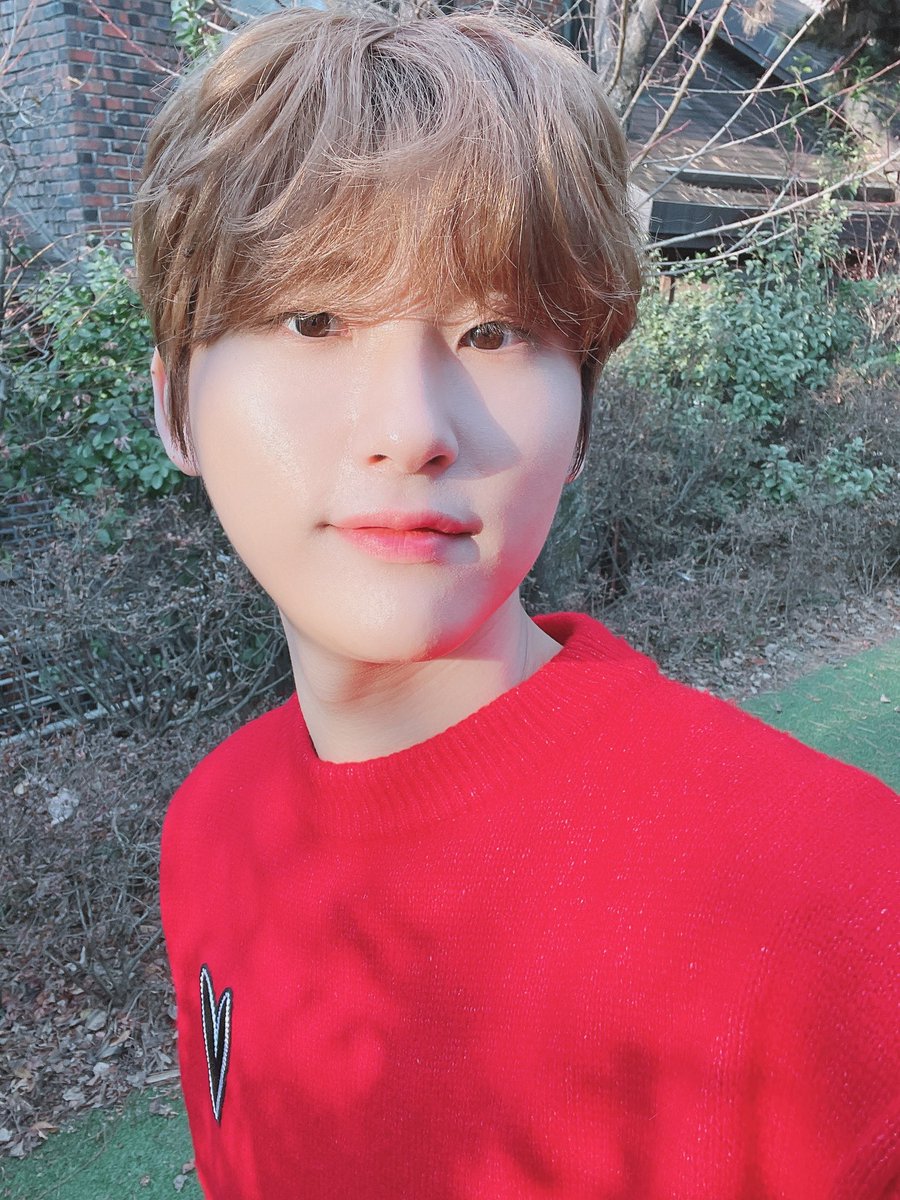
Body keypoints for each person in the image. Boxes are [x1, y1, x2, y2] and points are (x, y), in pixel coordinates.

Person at [131, 2, 899, 1196]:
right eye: (314, 318)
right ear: (174, 402)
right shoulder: (211, 833)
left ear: (583, 418)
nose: (412, 430)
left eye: (494, 331)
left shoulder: (841, 904)